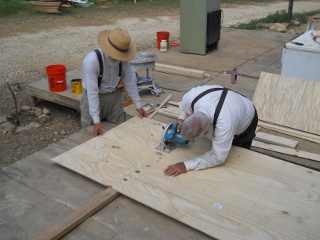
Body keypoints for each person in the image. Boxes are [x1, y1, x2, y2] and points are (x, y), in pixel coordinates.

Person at [164, 85, 258, 177]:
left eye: (193, 140)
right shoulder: (191, 96)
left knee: (239, 157)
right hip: (226, 99)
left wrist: (185, 165)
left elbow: (218, 157)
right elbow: (185, 108)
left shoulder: (225, 125)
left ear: (206, 132)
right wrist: (181, 118)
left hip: (246, 111)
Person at [81, 28, 147, 136]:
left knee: (121, 131)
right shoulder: (91, 61)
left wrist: (138, 106)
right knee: (91, 136)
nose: (119, 59)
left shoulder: (124, 61)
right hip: (93, 98)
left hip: (113, 97)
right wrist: (96, 121)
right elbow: (92, 92)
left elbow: (130, 83)